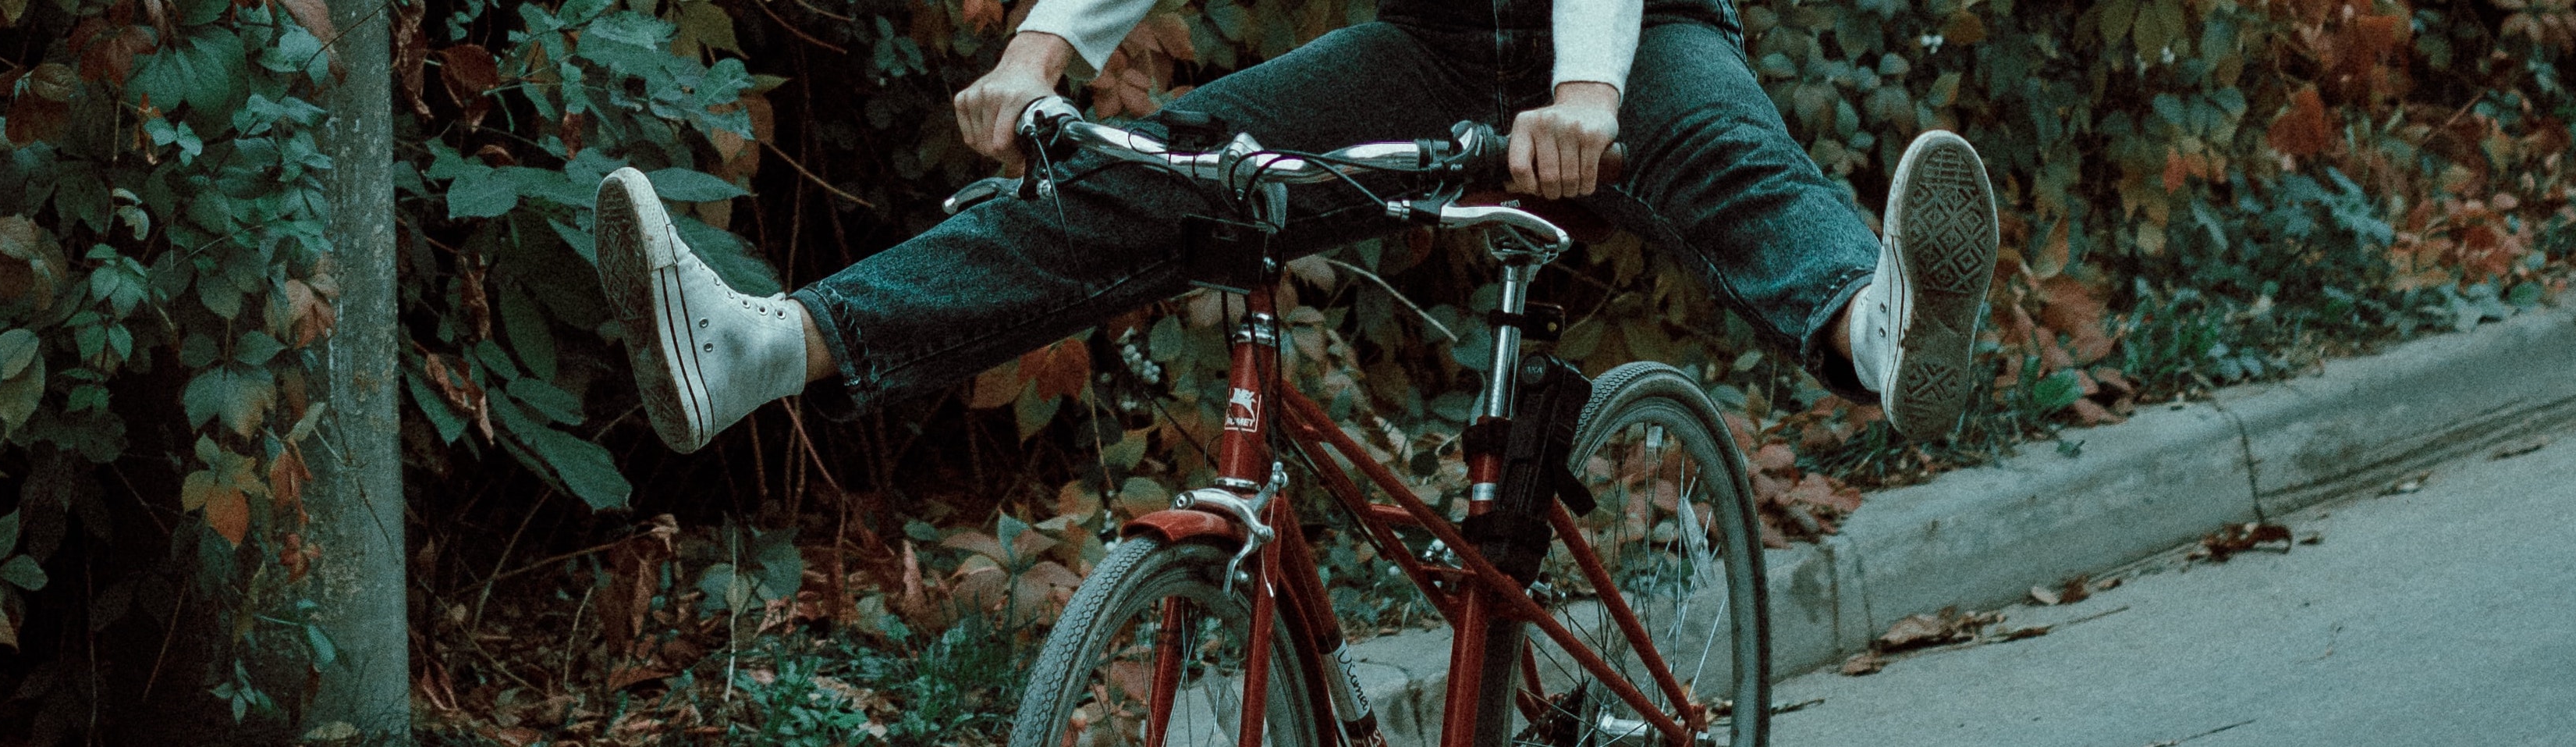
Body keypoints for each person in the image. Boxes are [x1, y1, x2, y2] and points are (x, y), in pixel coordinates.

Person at [593, 0, 1998, 455]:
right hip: (1435, 48)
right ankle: (769, 348)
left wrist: (1581, 88)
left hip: (1628, 31)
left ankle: (1875, 326)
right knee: (1148, 169)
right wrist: (1036, 53)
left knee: (1727, 159)